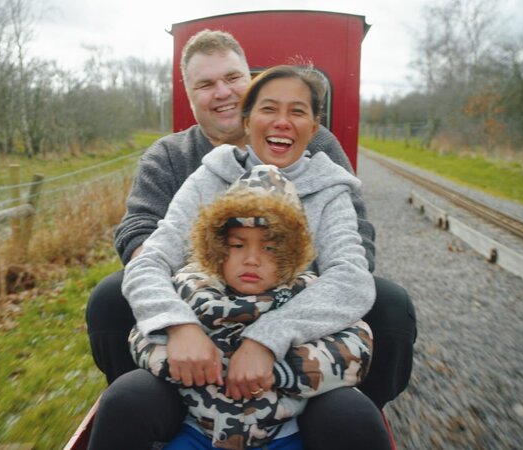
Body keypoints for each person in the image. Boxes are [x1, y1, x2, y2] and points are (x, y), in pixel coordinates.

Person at [86, 29, 415, 449]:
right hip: (203, 315)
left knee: (390, 307)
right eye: (206, 84)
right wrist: (182, 316)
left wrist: (274, 319)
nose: (222, 92)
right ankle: (161, 408)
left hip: (298, 321)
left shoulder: (324, 167)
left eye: (232, 78)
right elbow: (144, 241)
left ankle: (351, 407)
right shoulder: (193, 166)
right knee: (111, 299)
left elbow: (354, 259)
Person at [129, 164, 374, 449]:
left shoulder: (306, 294)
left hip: (281, 435)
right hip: (199, 434)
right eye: (237, 245)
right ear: (217, 247)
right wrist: (189, 360)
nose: (252, 259)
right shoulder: (194, 288)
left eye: (269, 248)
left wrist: (280, 370)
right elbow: (140, 335)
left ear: (291, 252)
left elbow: (358, 345)